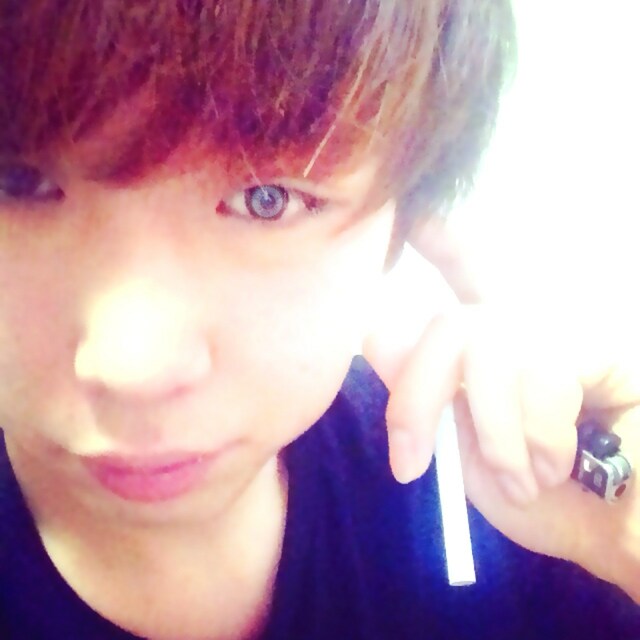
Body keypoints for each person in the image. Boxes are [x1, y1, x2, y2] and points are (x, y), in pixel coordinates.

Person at [0, 1, 638, 638]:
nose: (133, 366)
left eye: (266, 199)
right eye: (18, 182)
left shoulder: (516, 499)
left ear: (401, 225)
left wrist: (624, 540)